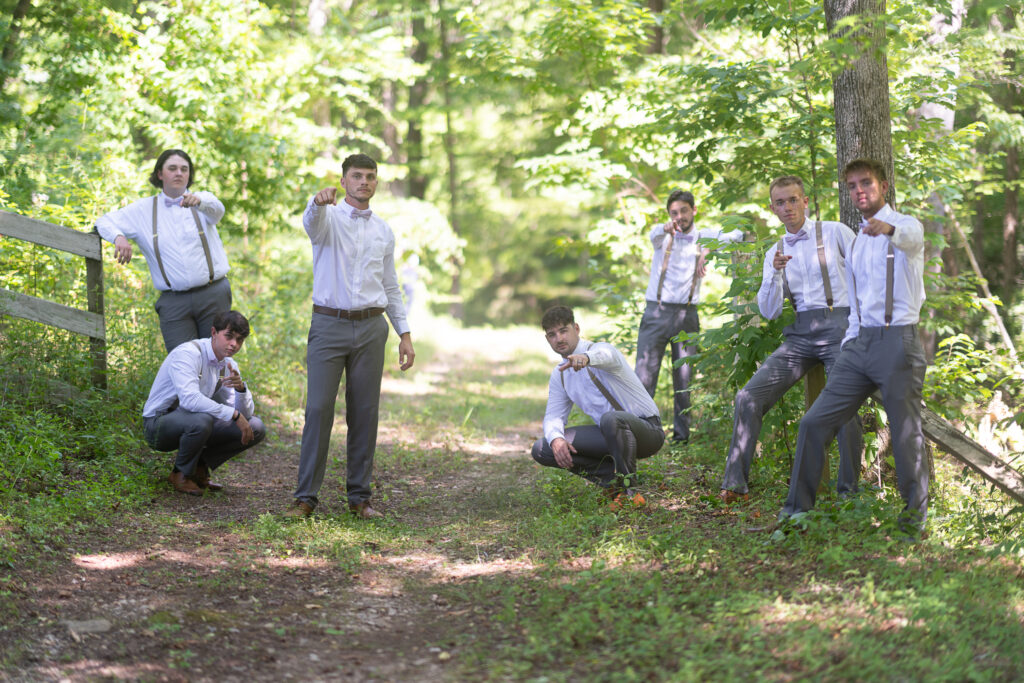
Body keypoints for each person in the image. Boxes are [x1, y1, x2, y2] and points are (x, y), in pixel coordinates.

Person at [780, 158, 927, 536]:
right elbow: (857, 303)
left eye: (866, 183)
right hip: (859, 345)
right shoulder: (858, 241)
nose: (859, 190)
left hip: (898, 341)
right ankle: (795, 514)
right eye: (852, 185)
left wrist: (888, 228)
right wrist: (849, 344)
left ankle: (913, 522)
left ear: (884, 186)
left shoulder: (905, 224)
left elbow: (911, 239)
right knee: (814, 422)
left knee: (905, 433)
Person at [719, 176, 863, 503]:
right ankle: (735, 484)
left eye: (793, 200)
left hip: (840, 326)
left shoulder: (836, 232)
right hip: (801, 334)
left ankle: (849, 494)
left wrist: (861, 327)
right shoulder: (776, 250)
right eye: (780, 203)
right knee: (748, 397)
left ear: (805, 201)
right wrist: (774, 272)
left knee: (846, 403)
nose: (788, 207)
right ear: (773, 209)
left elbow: (865, 275)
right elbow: (769, 311)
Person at [286, 153, 415, 519]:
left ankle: (360, 498)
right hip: (329, 325)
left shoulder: (383, 230)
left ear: (376, 183)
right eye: (356, 176)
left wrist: (404, 333)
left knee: (365, 413)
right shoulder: (327, 219)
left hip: (372, 327)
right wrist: (316, 202)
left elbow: (390, 284)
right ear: (344, 181)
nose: (364, 182)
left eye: (370, 176)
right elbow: (311, 224)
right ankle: (305, 498)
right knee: (318, 409)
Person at [95, 149, 233, 352]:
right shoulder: (143, 210)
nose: (179, 173)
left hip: (213, 295)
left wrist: (200, 202)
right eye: (172, 168)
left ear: (189, 174)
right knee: (181, 361)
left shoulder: (203, 200)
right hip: (173, 302)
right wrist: (118, 237)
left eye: (184, 169)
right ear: (160, 174)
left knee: (216, 358)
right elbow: (103, 221)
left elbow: (218, 210)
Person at [635, 190, 744, 444]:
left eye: (684, 211)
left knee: (684, 379)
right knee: (644, 376)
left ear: (694, 210)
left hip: (687, 315)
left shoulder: (704, 236)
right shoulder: (662, 237)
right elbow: (654, 234)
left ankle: (681, 438)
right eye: (674, 213)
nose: (679, 217)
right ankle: (639, 434)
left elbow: (737, 235)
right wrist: (665, 228)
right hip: (656, 312)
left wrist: (709, 250)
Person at [532, 305, 665, 506]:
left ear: (576, 329)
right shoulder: (560, 374)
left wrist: (586, 358)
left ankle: (630, 494)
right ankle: (613, 481)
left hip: (647, 431)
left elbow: (606, 355)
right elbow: (553, 415)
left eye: (563, 331)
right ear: (547, 339)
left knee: (611, 419)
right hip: (609, 434)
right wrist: (557, 439)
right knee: (543, 448)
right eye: (552, 335)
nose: (559, 339)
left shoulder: (599, 350)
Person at [142, 310, 265, 495]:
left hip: (193, 421)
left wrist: (240, 390)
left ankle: (199, 468)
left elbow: (245, 415)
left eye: (239, 340)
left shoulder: (228, 365)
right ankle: (180, 474)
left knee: (255, 427)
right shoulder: (188, 353)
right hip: (158, 425)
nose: (234, 344)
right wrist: (233, 415)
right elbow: (190, 400)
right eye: (229, 336)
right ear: (214, 332)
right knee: (202, 419)